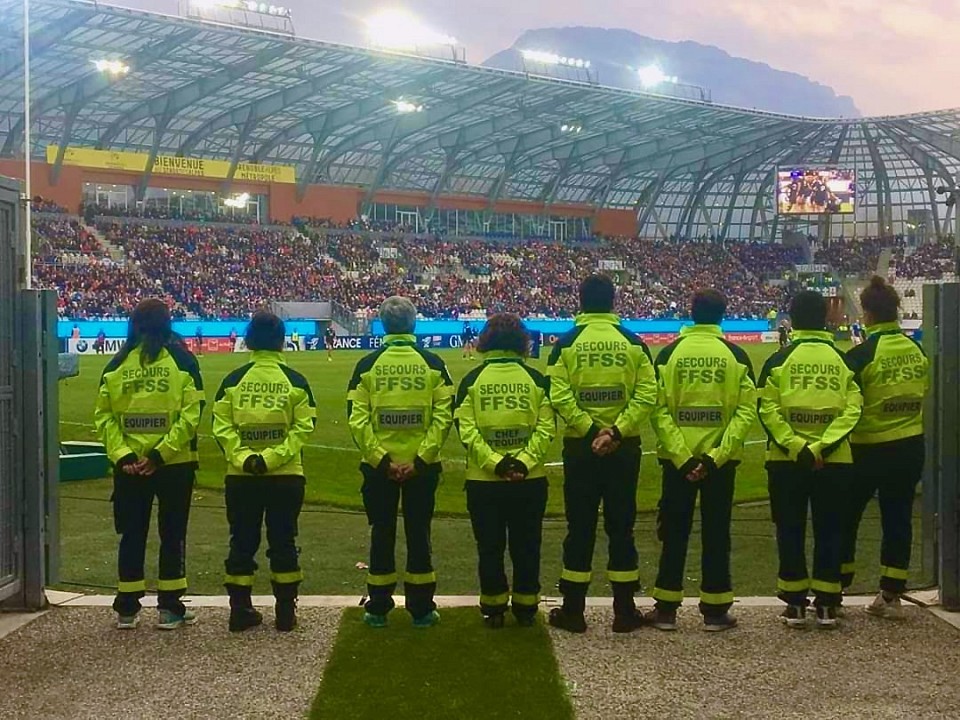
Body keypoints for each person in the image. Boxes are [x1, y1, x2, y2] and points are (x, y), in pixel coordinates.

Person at [546, 274, 657, 634]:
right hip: (625, 448)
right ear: (614, 301)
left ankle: (573, 611)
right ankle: (624, 611)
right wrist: (617, 431)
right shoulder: (633, 343)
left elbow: (559, 396)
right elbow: (647, 395)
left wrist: (592, 431)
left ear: (580, 301)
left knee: (580, 528)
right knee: (621, 528)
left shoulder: (566, 344)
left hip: (580, 447)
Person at [647, 289, 757, 632]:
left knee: (674, 531)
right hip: (720, 464)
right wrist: (714, 458)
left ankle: (665, 610)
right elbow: (745, 412)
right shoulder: (736, 356)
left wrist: (682, 457)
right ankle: (715, 610)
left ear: (691, 313)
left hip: (677, 462)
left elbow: (658, 410)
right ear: (723, 314)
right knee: (716, 532)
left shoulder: (668, 355)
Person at [93, 299, 204, 630]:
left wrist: (124, 455)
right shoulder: (183, 361)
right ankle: (170, 608)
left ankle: (127, 608)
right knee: (172, 534)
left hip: (128, 468)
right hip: (175, 464)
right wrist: (160, 455)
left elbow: (104, 418)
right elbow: (191, 416)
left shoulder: (116, 365)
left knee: (131, 533)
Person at [347, 297, 454, 629]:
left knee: (381, 532)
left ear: (382, 324)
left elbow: (356, 418)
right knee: (419, 534)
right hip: (421, 467)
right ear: (414, 323)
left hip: (380, 470)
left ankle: (377, 608)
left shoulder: (367, 365)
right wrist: (420, 460)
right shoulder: (433, 363)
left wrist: (382, 461)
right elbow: (444, 416)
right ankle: (421, 609)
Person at [758, 290, 862, 629]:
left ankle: (795, 605)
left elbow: (767, 410)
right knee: (831, 530)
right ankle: (828, 606)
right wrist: (824, 447)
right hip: (836, 461)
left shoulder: (777, 361)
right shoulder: (844, 360)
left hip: (786, 461)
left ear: (792, 319)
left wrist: (797, 447)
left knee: (790, 529)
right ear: (826, 318)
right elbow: (853, 409)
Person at [212, 311, 317, 633]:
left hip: (241, 476)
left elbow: (221, 428)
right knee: (284, 540)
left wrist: (245, 458)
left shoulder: (232, 381)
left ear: (249, 340)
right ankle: (286, 612)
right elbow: (304, 427)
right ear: (282, 341)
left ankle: (239, 610)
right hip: (286, 475)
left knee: (241, 541)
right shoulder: (296, 381)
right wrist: (272, 458)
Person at [454, 314, 555, 628]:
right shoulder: (537, 379)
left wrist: (496, 464)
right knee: (527, 545)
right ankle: (526, 608)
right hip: (530, 479)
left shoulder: (472, 380)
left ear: (486, 342)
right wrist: (522, 462)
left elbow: (465, 430)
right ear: (522, 343)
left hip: (484, 481)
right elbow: (546, 428)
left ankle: (493, 608)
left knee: (490, 547)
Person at [842, 277, 929, 619]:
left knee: (847, 516)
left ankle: (837, 583)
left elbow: (848, 404)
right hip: (909, 445)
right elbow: (922, 389)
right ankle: (891, 594)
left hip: (867, 447)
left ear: (867, 314)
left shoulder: (861, 355)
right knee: (898, 518)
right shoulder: (916, 350)